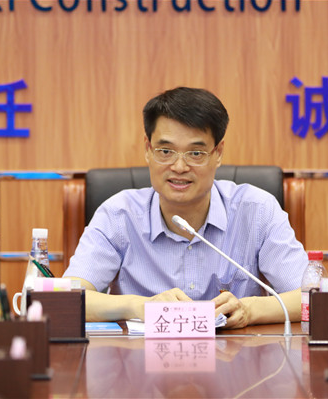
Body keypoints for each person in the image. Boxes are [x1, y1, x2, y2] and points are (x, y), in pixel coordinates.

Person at [63, 87, 308, 329]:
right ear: (148, 150)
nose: (179, 167)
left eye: (196, 153)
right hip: (139, 354)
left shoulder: (256, 211)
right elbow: (67, 300)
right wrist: (140, 306)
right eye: (165, 151)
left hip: (235, 353)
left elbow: (311, 297)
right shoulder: (118, 215)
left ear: (218, 153)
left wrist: (250, 309)